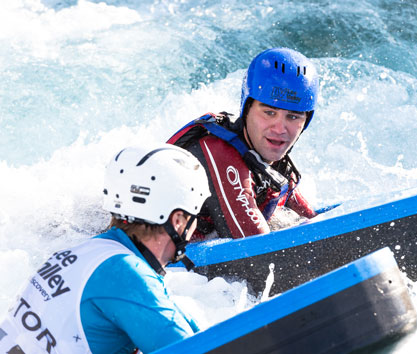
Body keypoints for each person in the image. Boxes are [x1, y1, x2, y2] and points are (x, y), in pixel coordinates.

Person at [0, 144, 210, 354]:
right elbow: (193, 350)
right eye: (195, 216)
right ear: (178, 221)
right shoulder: (126, 276)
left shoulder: (86, 252)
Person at [168, 47, 320, 240]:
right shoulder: (218, 151)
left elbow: (314, 221)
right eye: (269, 113)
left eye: (292, 116)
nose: (280, 129)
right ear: (246, 109)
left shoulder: (273, 163)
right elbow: (256, 249)